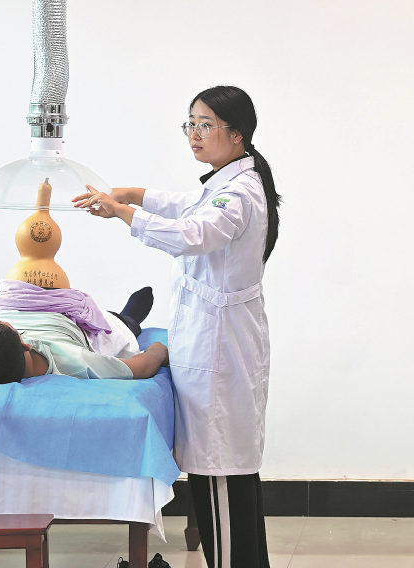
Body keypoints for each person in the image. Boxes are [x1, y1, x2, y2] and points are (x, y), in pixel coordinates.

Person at [73, 85, 280, 568]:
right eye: (190, 124)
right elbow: (186, 203)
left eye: (205, 125)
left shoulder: (239, 193)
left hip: (221, 350)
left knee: (220, 474)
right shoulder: (226, 182)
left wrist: (123, 213)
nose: (194, 134)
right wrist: (129, 194)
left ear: (237, 134)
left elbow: (193, 233)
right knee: (223, 473)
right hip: (214, 346)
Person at [0, 288, 166, 382]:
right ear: (26, 343)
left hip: (10, 305)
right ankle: (128, 317)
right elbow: (141, 367)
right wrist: (160, 349)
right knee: (115, 328)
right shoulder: (72, 359)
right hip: (62, 316)